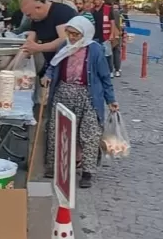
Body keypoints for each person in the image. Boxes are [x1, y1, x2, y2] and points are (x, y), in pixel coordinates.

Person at [41, 16, 118, 189]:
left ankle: (87, 172)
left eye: (76, 34)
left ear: (85, 34)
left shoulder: (95, 50)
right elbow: (54, 65)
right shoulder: (64, 46)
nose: (73, 37)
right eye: (70, 33)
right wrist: (48, 76)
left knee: (89, 134)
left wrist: (111, 99)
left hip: (88, 96)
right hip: (63, 94)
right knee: (59, 132)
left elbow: (105, 77)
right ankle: (56, 167)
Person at [20, 0, 77, 75]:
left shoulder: (61, 12)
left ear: (38, 7)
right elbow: (31, 39)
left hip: (68, 64)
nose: (28, 18)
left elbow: (64, 40)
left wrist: (38, 47)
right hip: (50, 64)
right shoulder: (36, 19)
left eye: (29, 15)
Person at [91, 0, 117, 71]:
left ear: (102, 0)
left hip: (105, 35)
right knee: (96, 54)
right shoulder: (92, 10)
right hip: (94, 36)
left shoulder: (108, 8)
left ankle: (110, 70)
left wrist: (112, 34)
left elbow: (112, 22)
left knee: (107, 55)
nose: (96, 1)